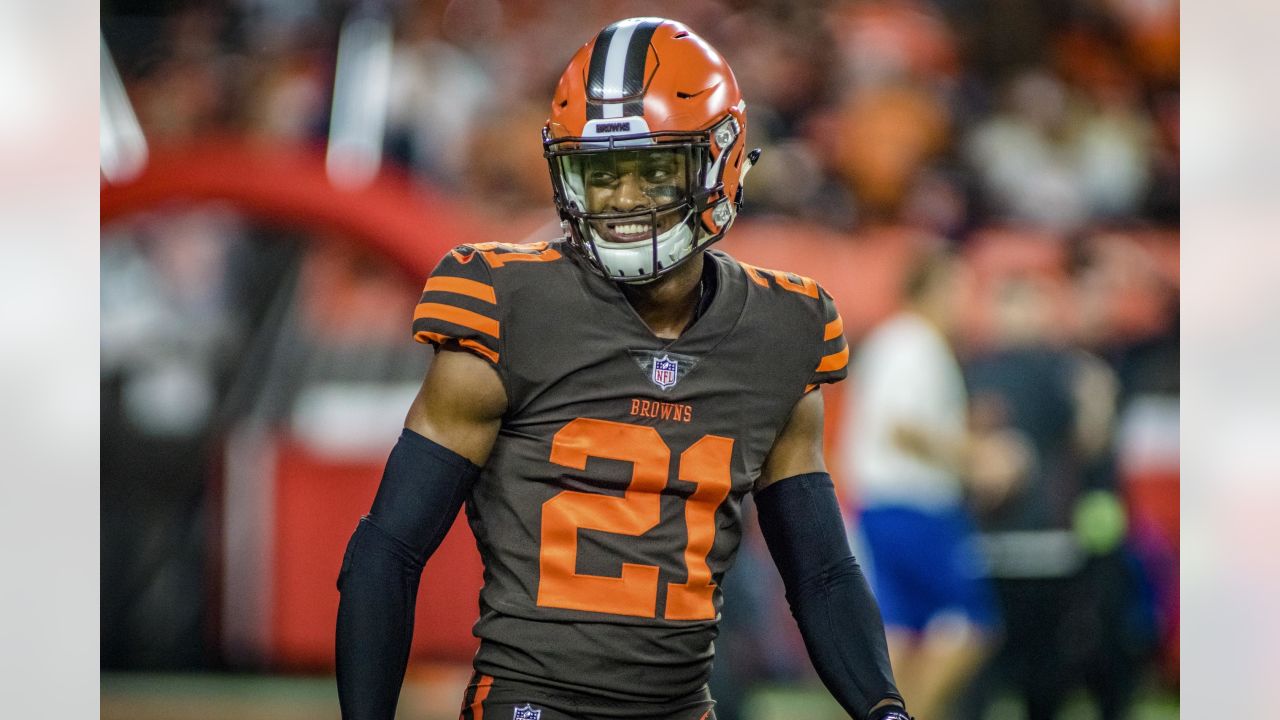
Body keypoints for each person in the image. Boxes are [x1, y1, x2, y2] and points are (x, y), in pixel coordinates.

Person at [335, 17, 912, 720]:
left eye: (654, 169)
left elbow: (820, 572)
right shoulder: (508, 303)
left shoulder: (782, 329)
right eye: (601, 172)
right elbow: (388, 551)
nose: (624, 198)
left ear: (719, 158)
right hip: (533, 704)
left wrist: (884, 709)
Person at [840, 251, 1026, 720]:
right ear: (932, 290)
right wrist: (977, 458)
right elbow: (905, 428)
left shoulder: (896, 342)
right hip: (915, 506)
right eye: (959, 289)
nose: (966, 302)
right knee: (973, 624)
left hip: (883, 503)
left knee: (903, 630)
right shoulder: (915, 344)